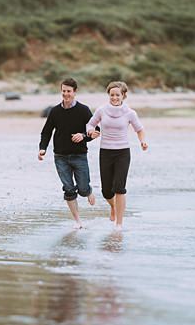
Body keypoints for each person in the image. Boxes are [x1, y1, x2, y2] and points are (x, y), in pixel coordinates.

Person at [86, 80, 147, 230]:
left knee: (119, 188)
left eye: (117, 95)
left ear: (123, 95)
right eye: (112, 95)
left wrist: (142, 141)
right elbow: (90, 124)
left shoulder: (130, 113)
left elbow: (139, 129)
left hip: (122, 153)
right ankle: (113, 207)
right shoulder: (101, 110)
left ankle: (119, 223)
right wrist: (90, 132)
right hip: (105, 152)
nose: (114, 98)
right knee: (106, 190)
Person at [38, 77, 97, 229]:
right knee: (69, 189)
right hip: (60, 156)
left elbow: (95, 131)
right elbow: (46, 132)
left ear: (75, 92)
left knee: (82, 190)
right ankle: (77, 221)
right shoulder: (55, 111)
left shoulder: (83, 110)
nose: (66, 94)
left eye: (69, 91)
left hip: (79, 155)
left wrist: (83, 136)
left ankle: (88, 190)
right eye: (63, 91)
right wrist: (42, 148)